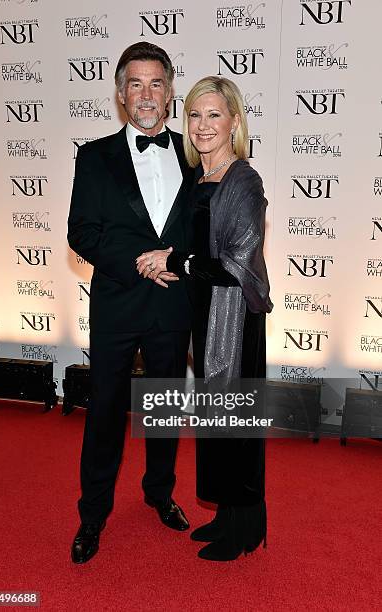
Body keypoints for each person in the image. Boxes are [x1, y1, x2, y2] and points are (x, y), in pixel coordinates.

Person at [136, 76, 273, 561]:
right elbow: (196, 246)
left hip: (235, 319)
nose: (203, 125)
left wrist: (177, 262)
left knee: (236, 420)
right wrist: (170, 255)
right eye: (195, 114)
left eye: (214, 115)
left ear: (234, 122)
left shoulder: (244, 180)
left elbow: (237, 263)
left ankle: (244, 529)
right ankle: (225, 516)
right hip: (206, 312)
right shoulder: (199, 178)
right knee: (218, 417)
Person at [67, 42, 193, 565]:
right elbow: (83, 233)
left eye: (156, 83)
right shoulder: (94, 156)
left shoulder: (194, 151)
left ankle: (160, 492)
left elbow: (209, 232)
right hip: (118, 303)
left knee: (165, 408)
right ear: (121, 95)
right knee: (105, 413)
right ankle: (92, 514)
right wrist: (141, 259)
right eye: (135, 84)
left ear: (169, 93)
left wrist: (175, 258)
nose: (146, 95)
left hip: (173, 303)